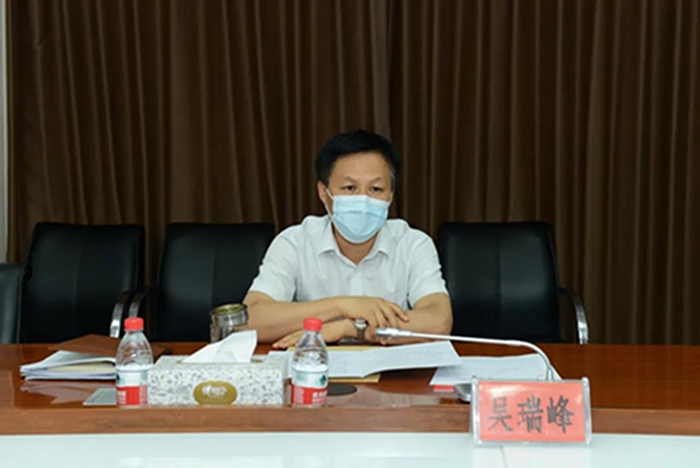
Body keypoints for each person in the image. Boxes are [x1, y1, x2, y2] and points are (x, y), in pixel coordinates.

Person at [243, 130, 452, 348]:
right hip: (316, 366)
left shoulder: (413, 244)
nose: (363, 199)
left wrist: (350, 328)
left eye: (376, 189)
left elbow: (439, 321)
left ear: (390, 195)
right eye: (350, 188)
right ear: (323, 192)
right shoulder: (294, 242)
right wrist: (342, 305)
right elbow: (250, 320)